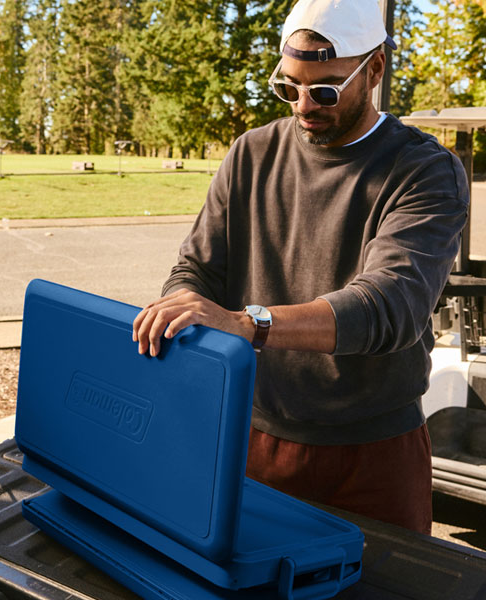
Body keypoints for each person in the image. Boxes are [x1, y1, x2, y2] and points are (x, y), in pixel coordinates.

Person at [132, 0, 469, 535]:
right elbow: (196, 269)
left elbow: (390, 306)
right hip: (254, 438)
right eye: (289, 88)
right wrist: (180, 306)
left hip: (375, 454)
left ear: (375, 68)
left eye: (326, 89)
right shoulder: (251, 154)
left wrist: (248, 324)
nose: (304, 105)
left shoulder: (425, 170)